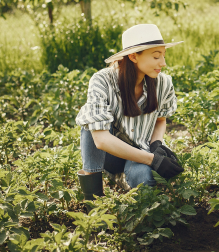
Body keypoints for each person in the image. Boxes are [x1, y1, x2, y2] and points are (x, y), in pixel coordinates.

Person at [76, 23, 184, 200]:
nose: (163, 63)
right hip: (109, 155)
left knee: (144, 178)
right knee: (90, 124)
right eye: (156, 56)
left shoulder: (163, 83)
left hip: (140, 150)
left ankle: (125, 181)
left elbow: (160, 120)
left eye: (164, 55)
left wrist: (156, 145)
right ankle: (93, 201)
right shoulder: (103, 81)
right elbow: (101, 140)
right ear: (133, 57)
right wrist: (152, 160)